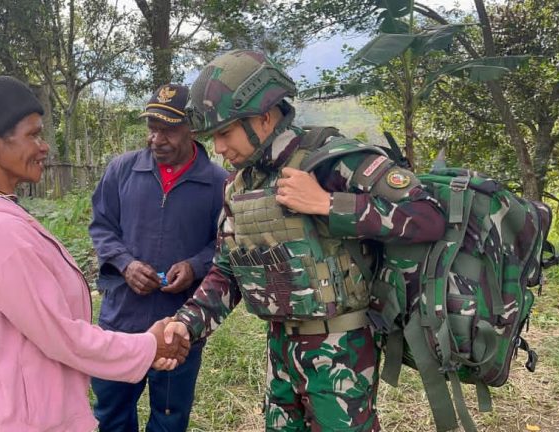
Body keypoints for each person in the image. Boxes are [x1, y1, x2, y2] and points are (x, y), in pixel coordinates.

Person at [164, 50, 445, 431]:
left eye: (225, 132)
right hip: (280, 349)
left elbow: (427, 216)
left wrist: (328, 203)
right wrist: (187, 323)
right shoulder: (239, 185)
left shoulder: (331, 161)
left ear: (264, 117)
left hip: (340, 351)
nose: (218, 149)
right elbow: (227, 271)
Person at [0, 65, 190, 432]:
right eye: (33, 134)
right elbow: (61, 336)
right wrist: (149, 346)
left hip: (24, 407)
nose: (44, 145)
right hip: (23, 420)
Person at [88, 83, 228, 431]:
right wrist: (125, 263)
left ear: (192, 128)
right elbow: (101, 227)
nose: (156, 139)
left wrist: (195, 265)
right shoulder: (121, 171)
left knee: (170, 419)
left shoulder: (218, 183)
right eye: (152, 128)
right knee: (111, 415)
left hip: (179, 325)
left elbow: (226, 245)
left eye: (168, 130)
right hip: (121, 319)